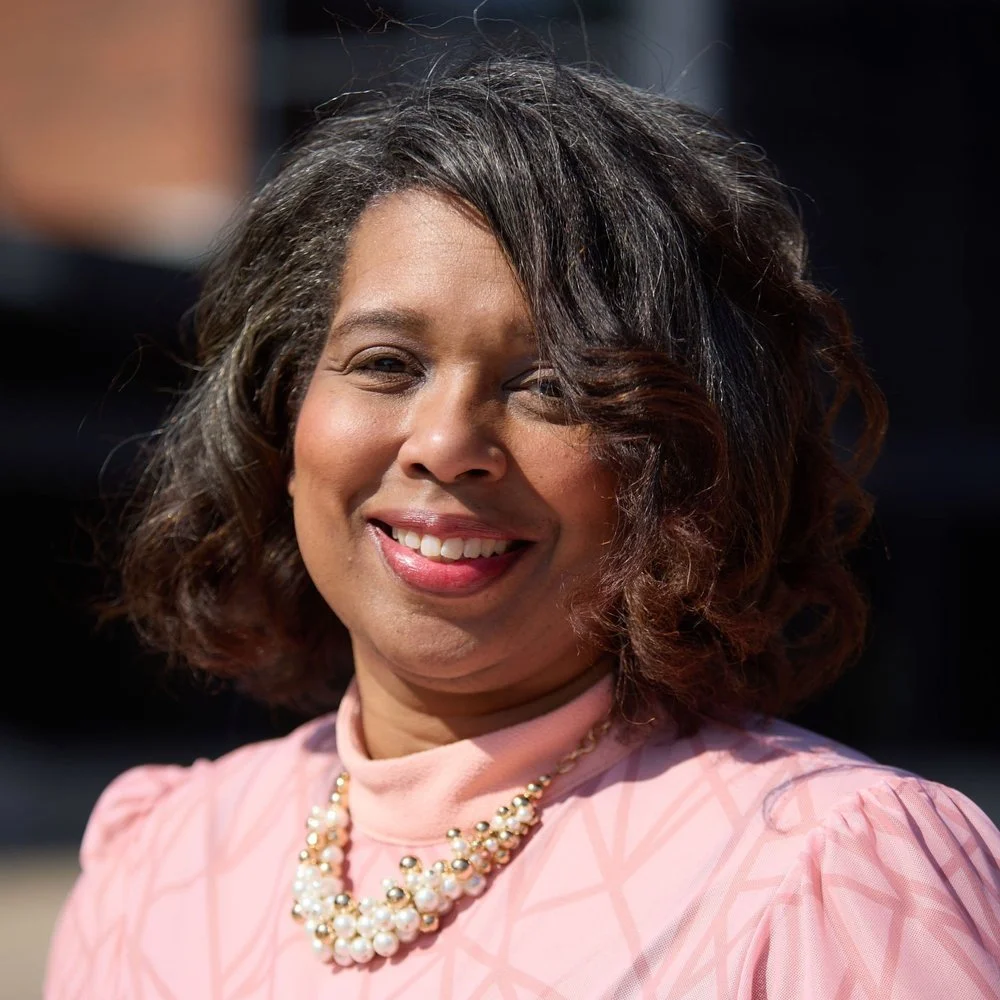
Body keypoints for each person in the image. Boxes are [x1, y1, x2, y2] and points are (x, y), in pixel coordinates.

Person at [45, 51, 1000, 999]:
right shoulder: (156, 867)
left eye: (551, 385)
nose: (446, 444)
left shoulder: (827, 875)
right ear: (282, 421)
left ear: (686, 464)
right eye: (386, 365)